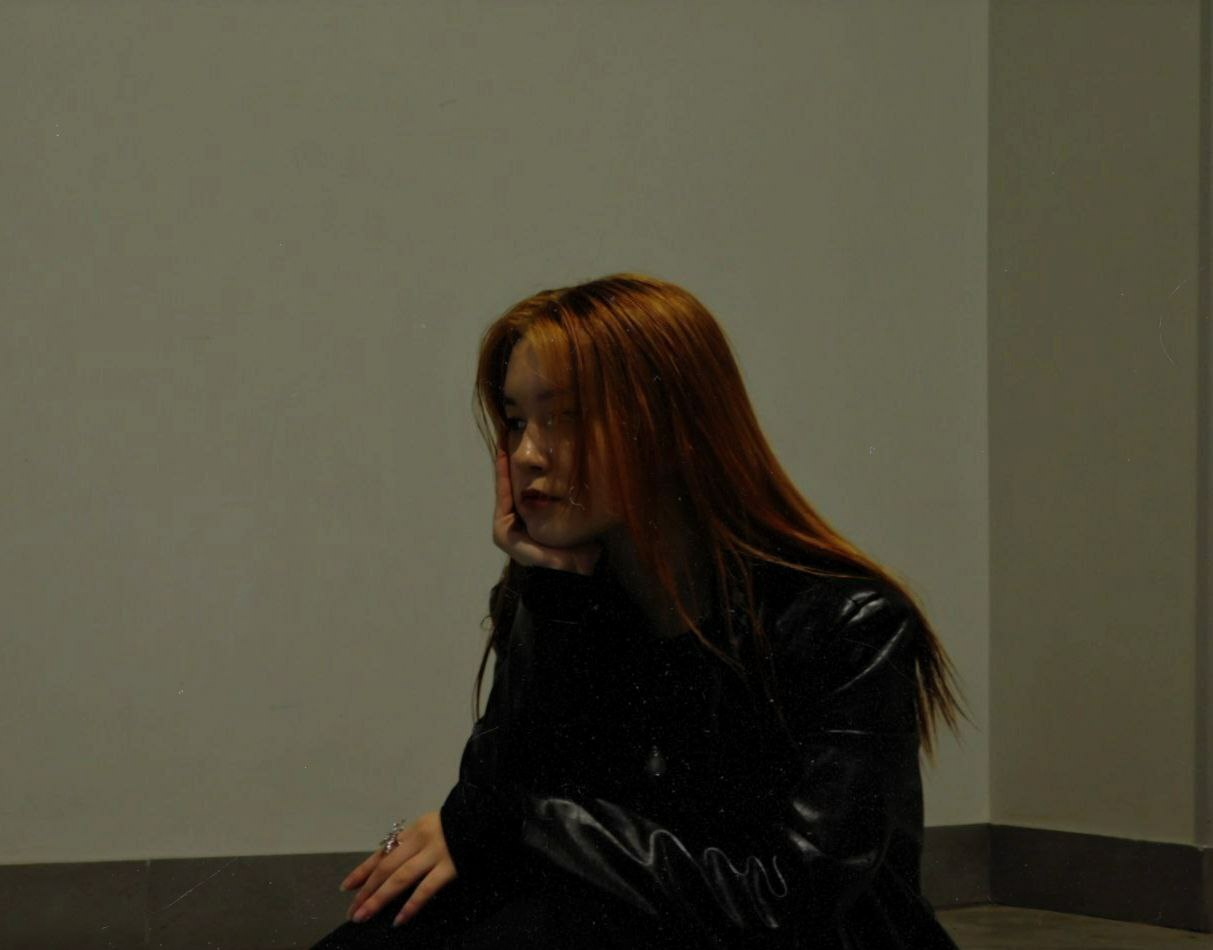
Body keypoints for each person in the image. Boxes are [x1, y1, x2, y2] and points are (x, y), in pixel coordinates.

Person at [310, 273, 970, 949]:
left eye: (564, 417)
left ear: (671, 428)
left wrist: (527, 822)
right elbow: (492, 806)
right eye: (516, 421)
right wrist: (549, 600)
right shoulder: (561, 596)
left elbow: (786, 902)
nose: (527, 454)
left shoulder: (845, 622)